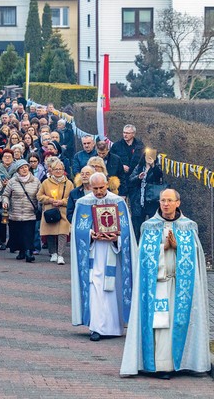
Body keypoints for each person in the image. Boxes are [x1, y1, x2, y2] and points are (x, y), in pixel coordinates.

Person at [120, 189, 211, 379]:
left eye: (170, 200)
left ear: (178, 202)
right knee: (160, 325)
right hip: (158, 285)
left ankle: (185, 362)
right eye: (163, 200)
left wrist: (180, 248)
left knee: (179, 322)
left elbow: (197, 255)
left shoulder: (189, 226)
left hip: (180, 286)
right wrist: (164, 248)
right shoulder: (149, 226)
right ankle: (162, 366)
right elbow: (143, 257)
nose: (166, 204)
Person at [70, 173, 137, 342]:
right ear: (90, 187)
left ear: (107, 184)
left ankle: (114, 327)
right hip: (93, 253)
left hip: (113, 252)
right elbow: (78, 230)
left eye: (102, 187)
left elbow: (127, 230)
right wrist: (90, 234)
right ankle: (96, 327)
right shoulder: (83, 203)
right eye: (95, 188)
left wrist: (117, 238)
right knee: (94, 286)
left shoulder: (118, 202)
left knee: (112, 288)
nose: (99, 192)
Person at [2, 160, 41, 262]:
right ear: (17, 170)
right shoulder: (12, 181)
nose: (24, 169)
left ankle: (28, 252)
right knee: (18, 234)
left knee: (28, 233)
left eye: (26, 167)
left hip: (30, 213)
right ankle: (22, 251)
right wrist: (5, 202)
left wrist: (40, 206)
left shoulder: (36, 181)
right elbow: (6, 195)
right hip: (16, 213)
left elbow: (39, 196)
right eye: (21, 168)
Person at [37, 159, 74, 265]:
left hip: (63, 212)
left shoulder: (69, 183)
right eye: (55, 169)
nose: (58, 171)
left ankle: (61, 255)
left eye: (60, 169)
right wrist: (50, 200)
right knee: (50, 232)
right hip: (50, 211)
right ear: (51, 170)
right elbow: (39, 196)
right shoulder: (46, 182)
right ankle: (53, 253)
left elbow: (71, 198)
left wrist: (61, 201)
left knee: (63, 233)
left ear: (63, 170)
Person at [129, 149, 164, 240]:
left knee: (153, 224)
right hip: (139, 200)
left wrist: (153, 165)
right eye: (146, 156)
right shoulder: (139, 167)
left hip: (151, 200)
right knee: (137, 226)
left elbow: (159, 176)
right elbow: (130, 180)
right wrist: (138, 177)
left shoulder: (156, 167)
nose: (148, 159)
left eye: (151, 156)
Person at [110, 124, 145, 197]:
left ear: (133, 134)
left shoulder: (140, 145)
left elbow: (143, 160)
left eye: (127, 133)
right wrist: (121, 166)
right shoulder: (116, 145)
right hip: (121, 179)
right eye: (124, 132)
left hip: (135, 179)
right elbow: (111, 161)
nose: (125, 135)